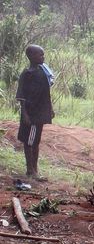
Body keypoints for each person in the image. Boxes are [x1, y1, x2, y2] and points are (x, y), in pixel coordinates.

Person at [15, 45, 54, 180]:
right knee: (29, 141)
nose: (43, 57)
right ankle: (30, 170)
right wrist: (24, 114)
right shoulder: (27, 74)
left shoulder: (43, 71)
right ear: (31, 56)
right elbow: (22, 96)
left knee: (36, 141)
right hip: (31, 113)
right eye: (40, 55)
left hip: (41, 112)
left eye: (43, 54)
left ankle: (34, 169)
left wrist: (51, 108)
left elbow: (46, 93)